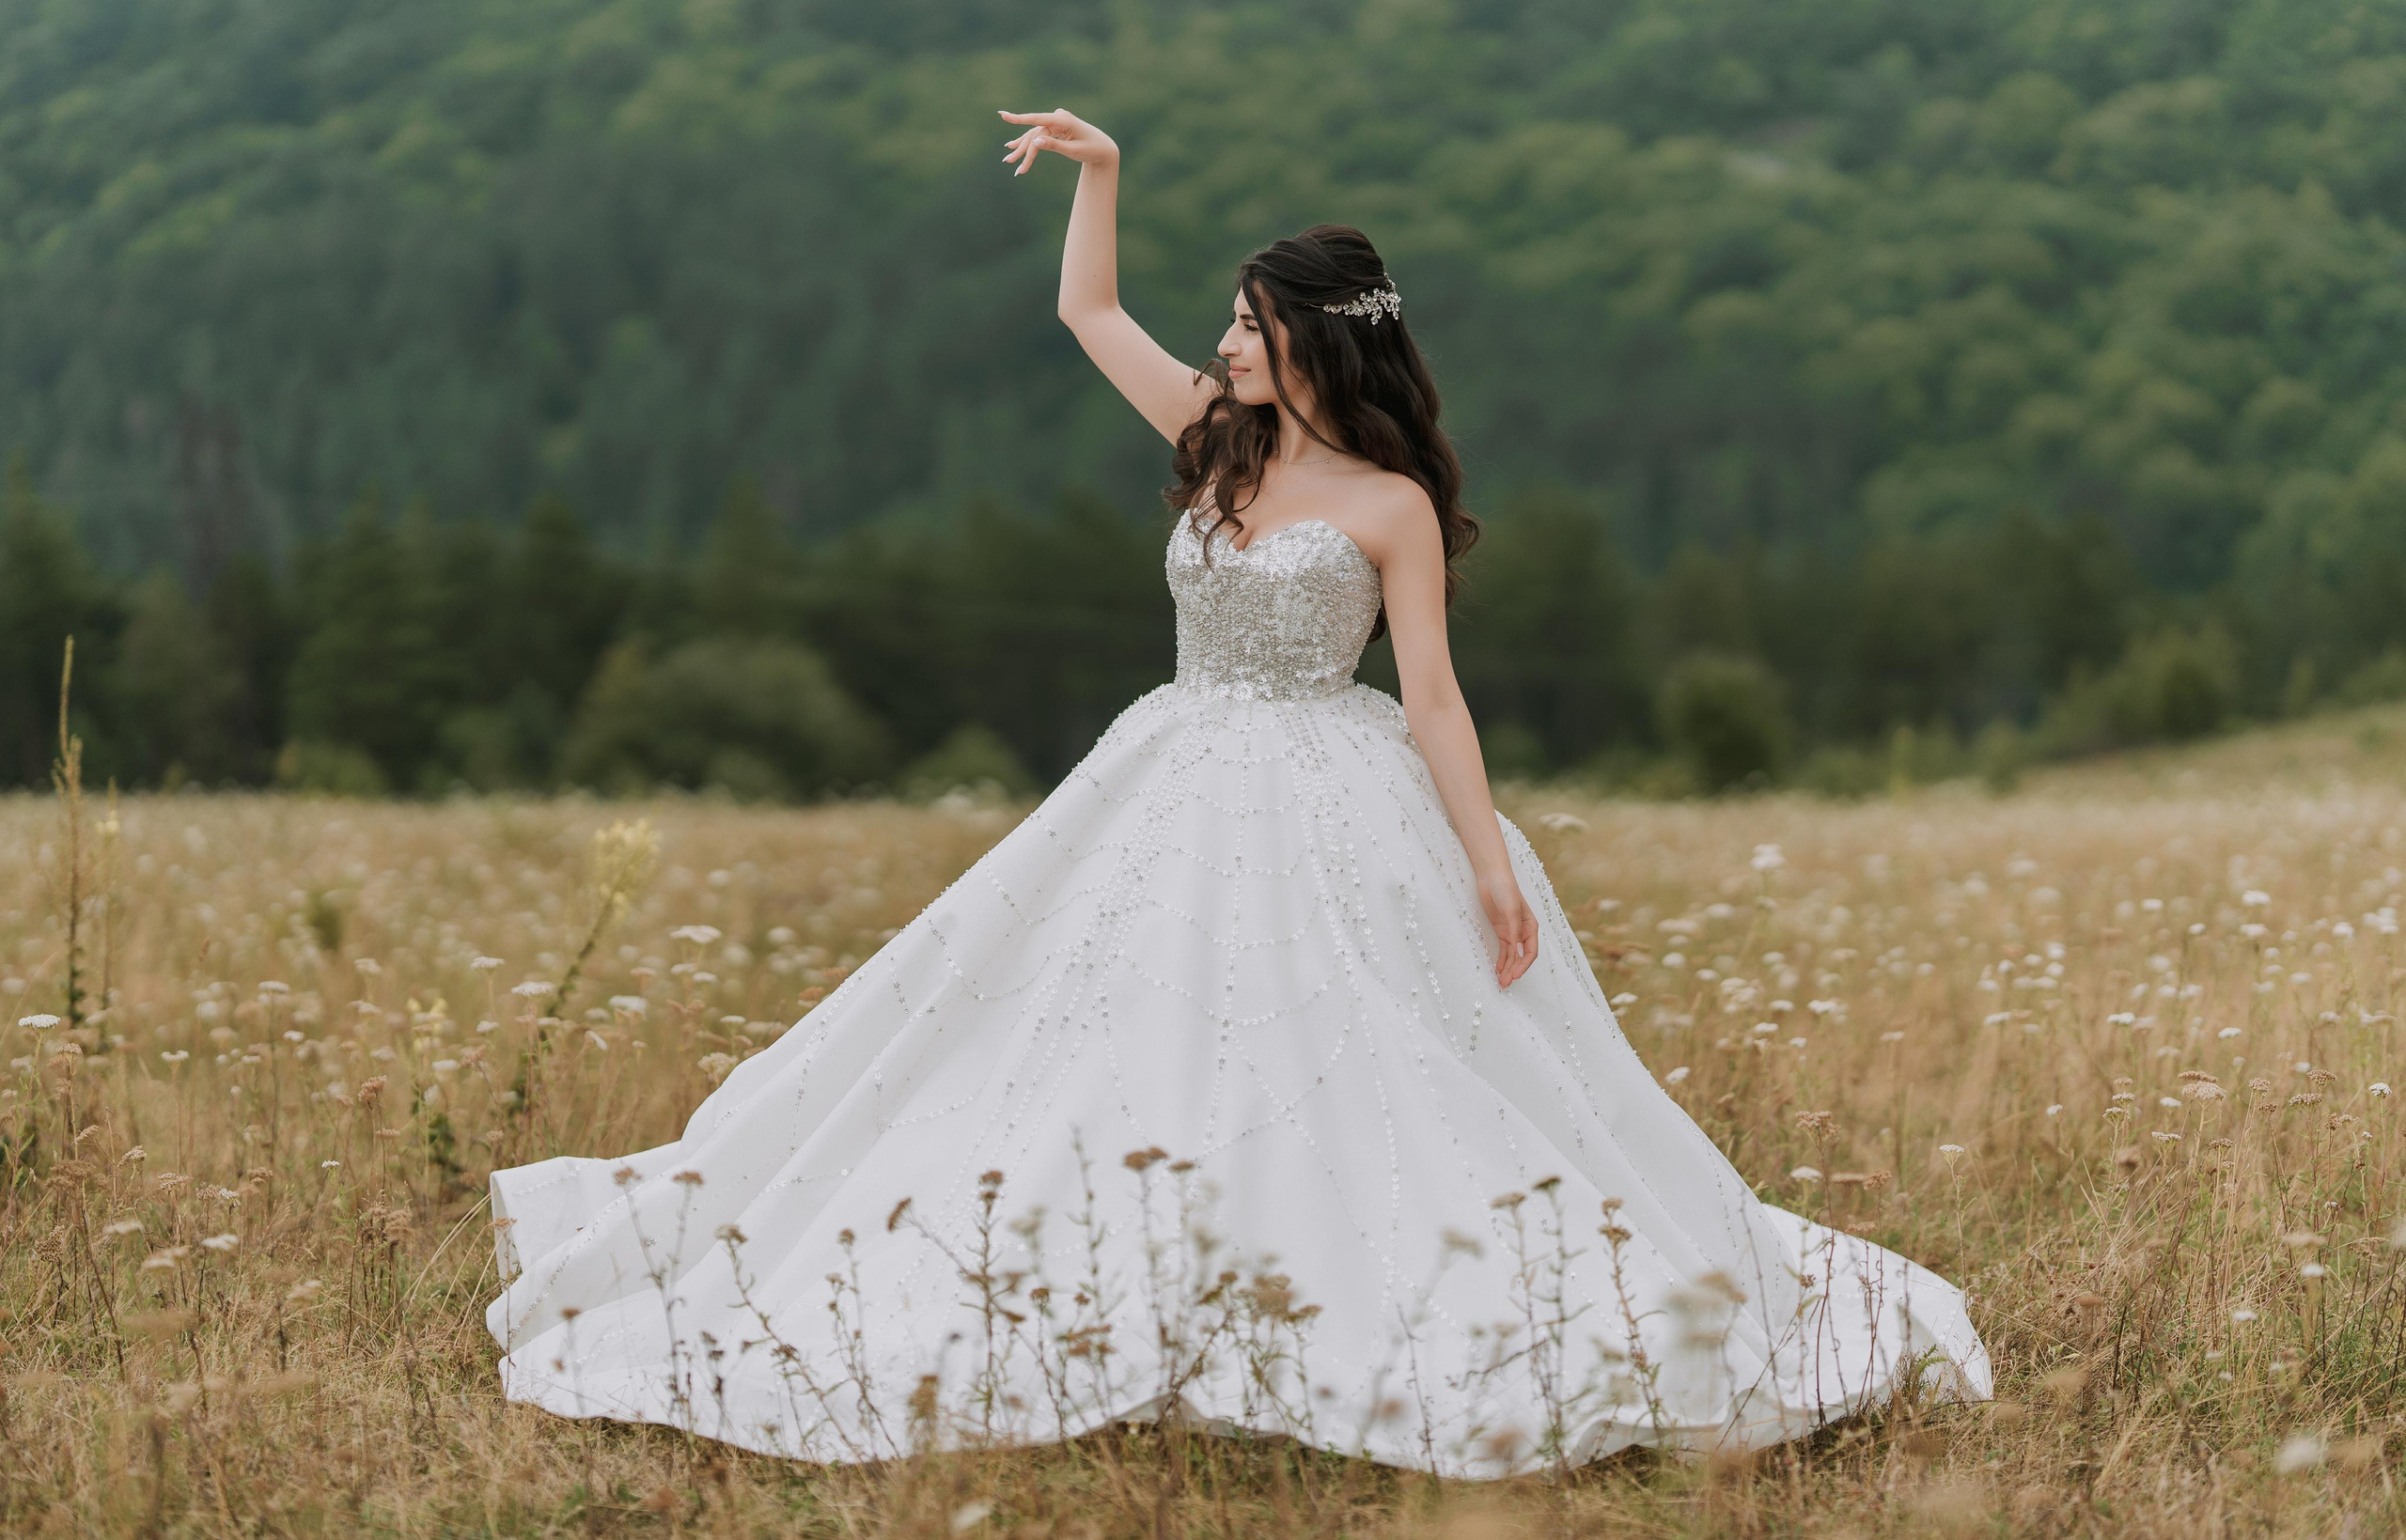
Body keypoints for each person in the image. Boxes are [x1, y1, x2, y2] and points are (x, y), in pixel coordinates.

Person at [483, 107, 1991, 1478]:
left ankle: (1310, 1288)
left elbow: (1435, 696)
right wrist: (1103, 173)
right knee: (1093, 1034)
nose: (1231, 344)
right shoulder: (1217, 437)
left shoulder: (1391, 505)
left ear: (1320, 341)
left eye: (1254, 326)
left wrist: (1486, 860)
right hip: (1170, 772)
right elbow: (1087, 313)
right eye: (1232, 324)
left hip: (1331, 792)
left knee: (1337, 1047)